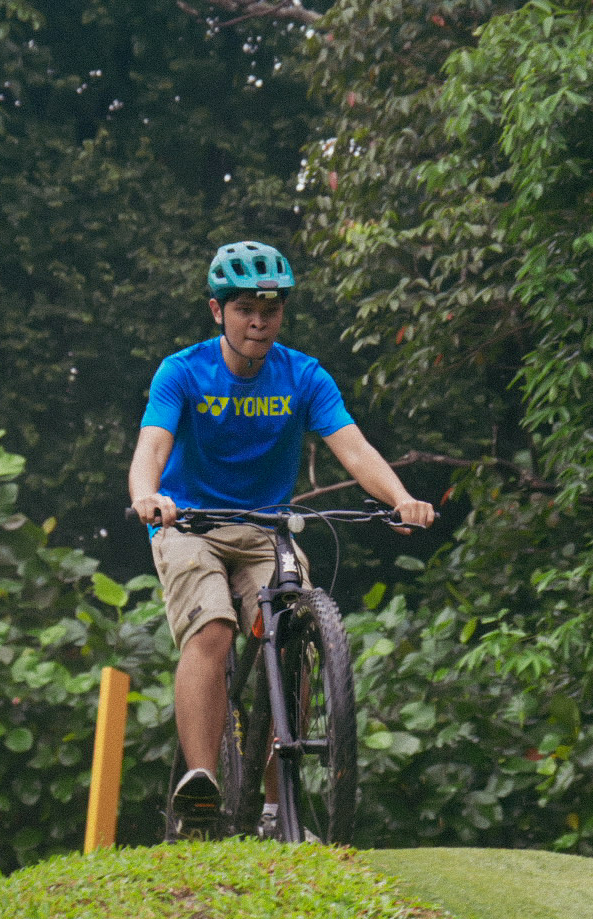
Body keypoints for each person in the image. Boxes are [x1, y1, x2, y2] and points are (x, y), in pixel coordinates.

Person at [128, 240, 436, 837]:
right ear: (218, 311)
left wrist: (399, 499)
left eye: (271, 310)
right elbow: (152, 447)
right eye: (245, 308)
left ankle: (275, 808)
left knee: (293, 632)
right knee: (213, 630)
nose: (259, 321)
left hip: (267, 525)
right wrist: (149, 494)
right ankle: (200, 783)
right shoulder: (183, 371)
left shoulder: (304, 375)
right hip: (188, 522)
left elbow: (353, 448)